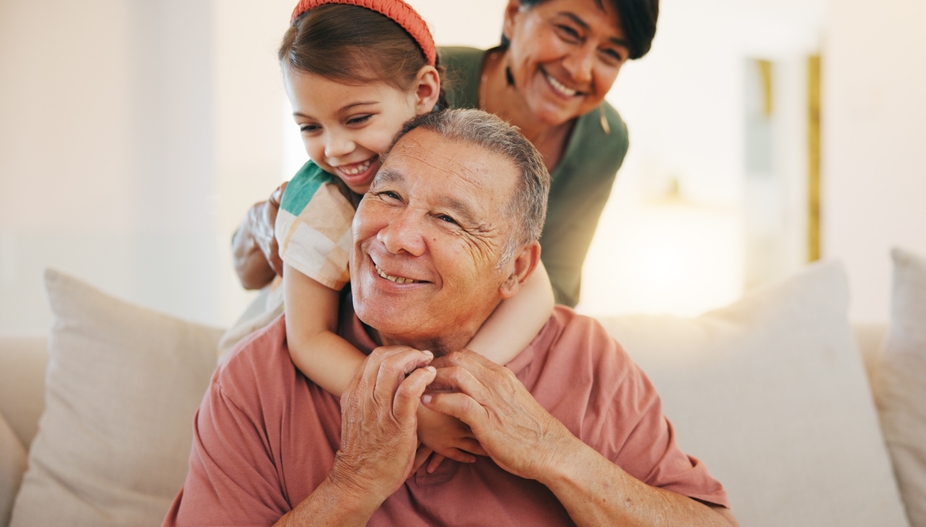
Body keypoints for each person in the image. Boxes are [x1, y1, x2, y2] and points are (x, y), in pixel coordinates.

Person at [164, 109, 738, 526]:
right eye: (387, 196)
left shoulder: (586, 359)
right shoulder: (261, 375)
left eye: (450, 219)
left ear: (517, 269)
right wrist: (355, 483)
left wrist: (552, 452)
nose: (396, 237)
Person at [265, 0, 556, 472]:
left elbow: (536, 291)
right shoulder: (315, 203)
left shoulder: (461, 157)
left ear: (423, 91)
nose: (335, 148)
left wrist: (451, 385)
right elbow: (310, 339)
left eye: (357, 119)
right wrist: (415, 413)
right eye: (309, 127)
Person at [232, 0, 658, 308]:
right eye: (569, 31)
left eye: (610, 53)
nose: (581, 69)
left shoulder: (605, 138)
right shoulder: (404, 84)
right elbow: (305, 220)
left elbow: (557, 284)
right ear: (513, 15)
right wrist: (264, 225)